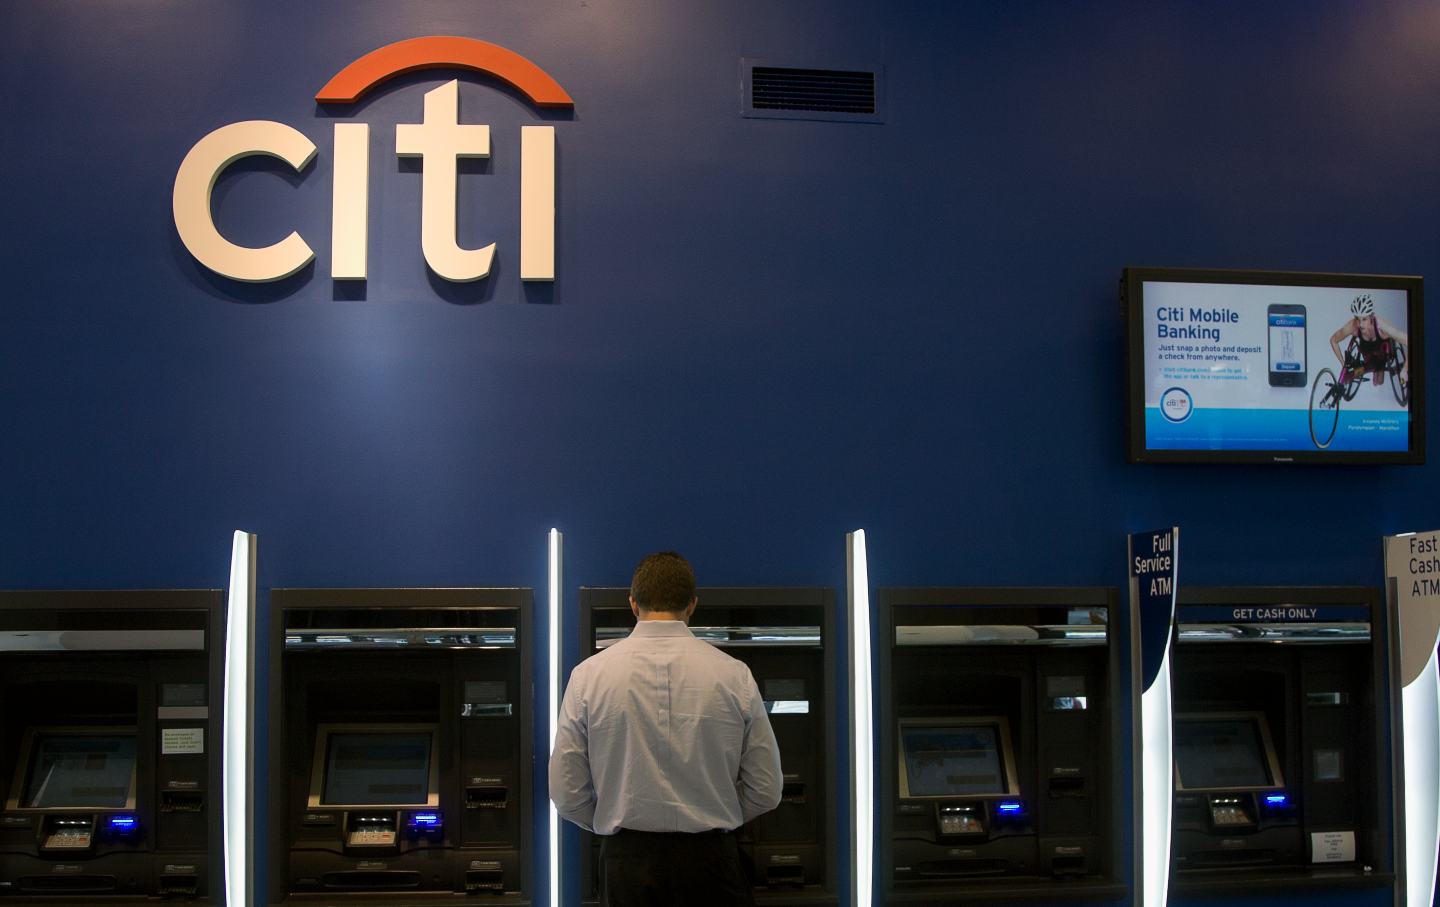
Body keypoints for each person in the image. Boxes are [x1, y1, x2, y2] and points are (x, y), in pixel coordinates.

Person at [549, 552, 783, 907]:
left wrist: (613, 823)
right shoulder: (735, 675)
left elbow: (567, 794)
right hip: (712, 861)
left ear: (632, 604)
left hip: (626, 862)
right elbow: (765, 789)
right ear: (692, 605)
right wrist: (719, 812)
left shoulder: (588, 677)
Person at [1330, 294, 1409, 388]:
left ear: (1371, 316)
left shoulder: (1382, 326)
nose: (1360, 324)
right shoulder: (1353, 325)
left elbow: (1409, 341)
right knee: (1359, 372)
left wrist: (1405, 369)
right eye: (1357, 319)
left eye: (1364, 319)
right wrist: (1343, 364)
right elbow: (1333, 340)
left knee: (1379, 381)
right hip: (1367, 353)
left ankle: (1386, 369)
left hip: (1382, 352)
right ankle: (1373, 368)